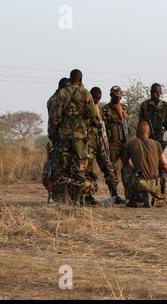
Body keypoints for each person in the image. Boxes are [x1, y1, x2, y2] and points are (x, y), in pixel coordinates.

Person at [54, 69, 100, 205]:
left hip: (64, 135)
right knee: (81, 167)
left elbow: (56, 116)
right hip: (80, 136)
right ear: (80, 79)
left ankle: (64, 199)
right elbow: (92, 114)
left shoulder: (62, 93)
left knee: (64, 167)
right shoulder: (85, 93)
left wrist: (57, 131)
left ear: (70, 78)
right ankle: (78, 199)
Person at [122, 121, 167, 208]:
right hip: (154, 185)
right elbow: (164, 165)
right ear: (149, 133)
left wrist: (133, 168)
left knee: (124, 170)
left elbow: (125, 163)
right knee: (162, 198)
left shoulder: (131, 143)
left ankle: (132, 198)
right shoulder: (157, 144)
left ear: (136, 132)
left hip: (139, 184)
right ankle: (153, 198)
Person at [83, 87, 118, 206]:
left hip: (100, 144)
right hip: (89, 145)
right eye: (95, 98)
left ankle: (114, 195)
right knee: (88, 170)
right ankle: (88, 196)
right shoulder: (86, 109)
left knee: (108, 168)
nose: (97, 100)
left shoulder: (100, 110)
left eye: (99, 98)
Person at [139, 83, 167, 195]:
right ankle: (148, 192)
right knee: (147, 167)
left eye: (157, 92)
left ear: (161, 92)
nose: (154, 94)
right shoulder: (144, 106)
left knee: (161, 167)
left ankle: (161, 193)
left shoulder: (166, 106)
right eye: (152, 92)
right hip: (148, 140)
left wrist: (165, 142)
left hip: (161, 140)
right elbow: (141, 124)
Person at [43, 77, 71, 203]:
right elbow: (56, 120)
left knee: (58, 164)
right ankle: (61, 195)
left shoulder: (52, 99)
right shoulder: (57, 100)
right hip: (59, 136)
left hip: (56, 136)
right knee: (61, 165)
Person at [101, 86, 128, 204]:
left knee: (128, 169)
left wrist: (120, 112)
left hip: (124, 142)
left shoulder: (124, 108)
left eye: (120, 96)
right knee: (112, 170)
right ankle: (114, 195)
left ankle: (130, 194)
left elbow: (125, 123)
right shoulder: (105, 110)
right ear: (111, 95)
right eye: (116, 96)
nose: (118, 98)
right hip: (112, 144)